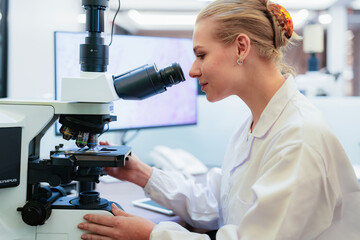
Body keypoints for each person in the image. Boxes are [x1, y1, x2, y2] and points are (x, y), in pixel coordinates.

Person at [77, 0, 360, 239]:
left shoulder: (298, 139)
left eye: (201, 55)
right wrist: (141, 173)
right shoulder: (254, 124)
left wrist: (152, 234)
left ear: (241, 48)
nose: (192, 71)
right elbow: (219, 205)